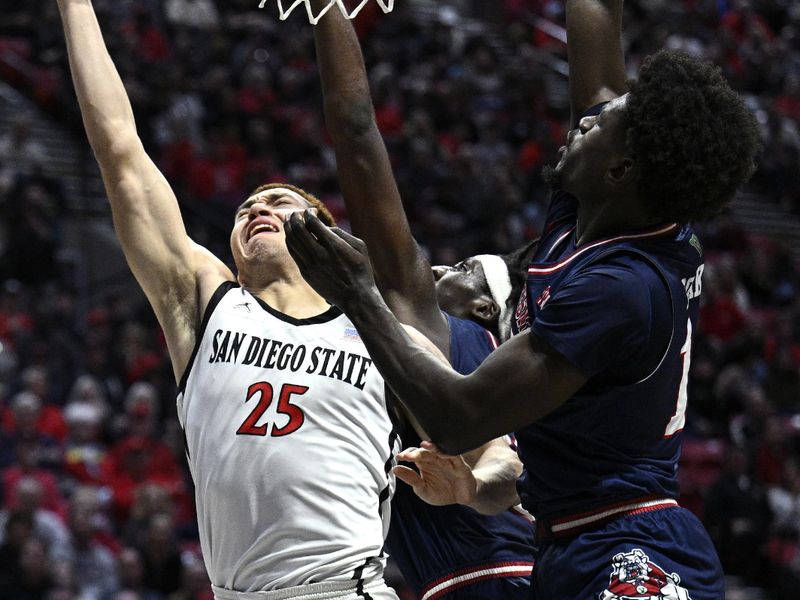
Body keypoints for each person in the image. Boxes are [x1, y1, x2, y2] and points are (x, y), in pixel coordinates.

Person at [283, 0, 761, 597]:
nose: (586, 119)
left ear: (621, 169)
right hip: (564, 544)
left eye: (599, 124)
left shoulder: (624, 286)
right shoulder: (599, 206)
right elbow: (597, 36)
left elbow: (458, 420)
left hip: (629, 546)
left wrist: (356, 293)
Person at [56, 1, 401, 598]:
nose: (257, 209)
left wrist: (478, 483)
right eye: (246, 208)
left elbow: (487, 452)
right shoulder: (206, 301)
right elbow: (120, 151)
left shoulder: (381, 329)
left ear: (324, 235)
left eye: (279, 203)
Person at [310, 2, 536, 597]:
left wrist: (330, 14)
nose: (440, 267)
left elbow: (357, 131)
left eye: (462, 270)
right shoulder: (524, 382)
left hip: (492, 579)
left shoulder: (451, 335)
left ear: (486, 309)